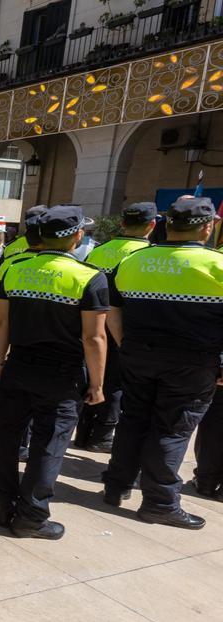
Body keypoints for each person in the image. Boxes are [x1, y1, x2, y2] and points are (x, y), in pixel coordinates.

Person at [102, 196, 223, 528]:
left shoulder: (134, 261)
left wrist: (125, 346)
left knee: (133, 420)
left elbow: (113, 314)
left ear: (168, 225)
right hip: (192, 363)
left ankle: (117, 485)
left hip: (138, 354)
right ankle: (160, 502)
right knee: (172, 429)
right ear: (208, 227)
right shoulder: (218, 265)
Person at [0, 205, 108, 540]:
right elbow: (94, 337)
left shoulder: (14, 267)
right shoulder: (88, 276)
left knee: (6, 438)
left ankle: (5, 507)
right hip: (62, 373)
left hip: (18, 365)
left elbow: (1, 322)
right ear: (76, 236)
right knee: (48, 445)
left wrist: (1, 362)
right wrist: (98, 384)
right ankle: (31, 516)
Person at [76, 202, 156, 452]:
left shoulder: (99, 251)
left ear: (122, 223)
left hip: (92, 321)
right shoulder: (148, 255)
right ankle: (102, 434)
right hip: (126, 326)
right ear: (152, 225)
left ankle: (84, 432)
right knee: (117, 382)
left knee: (93, 375)